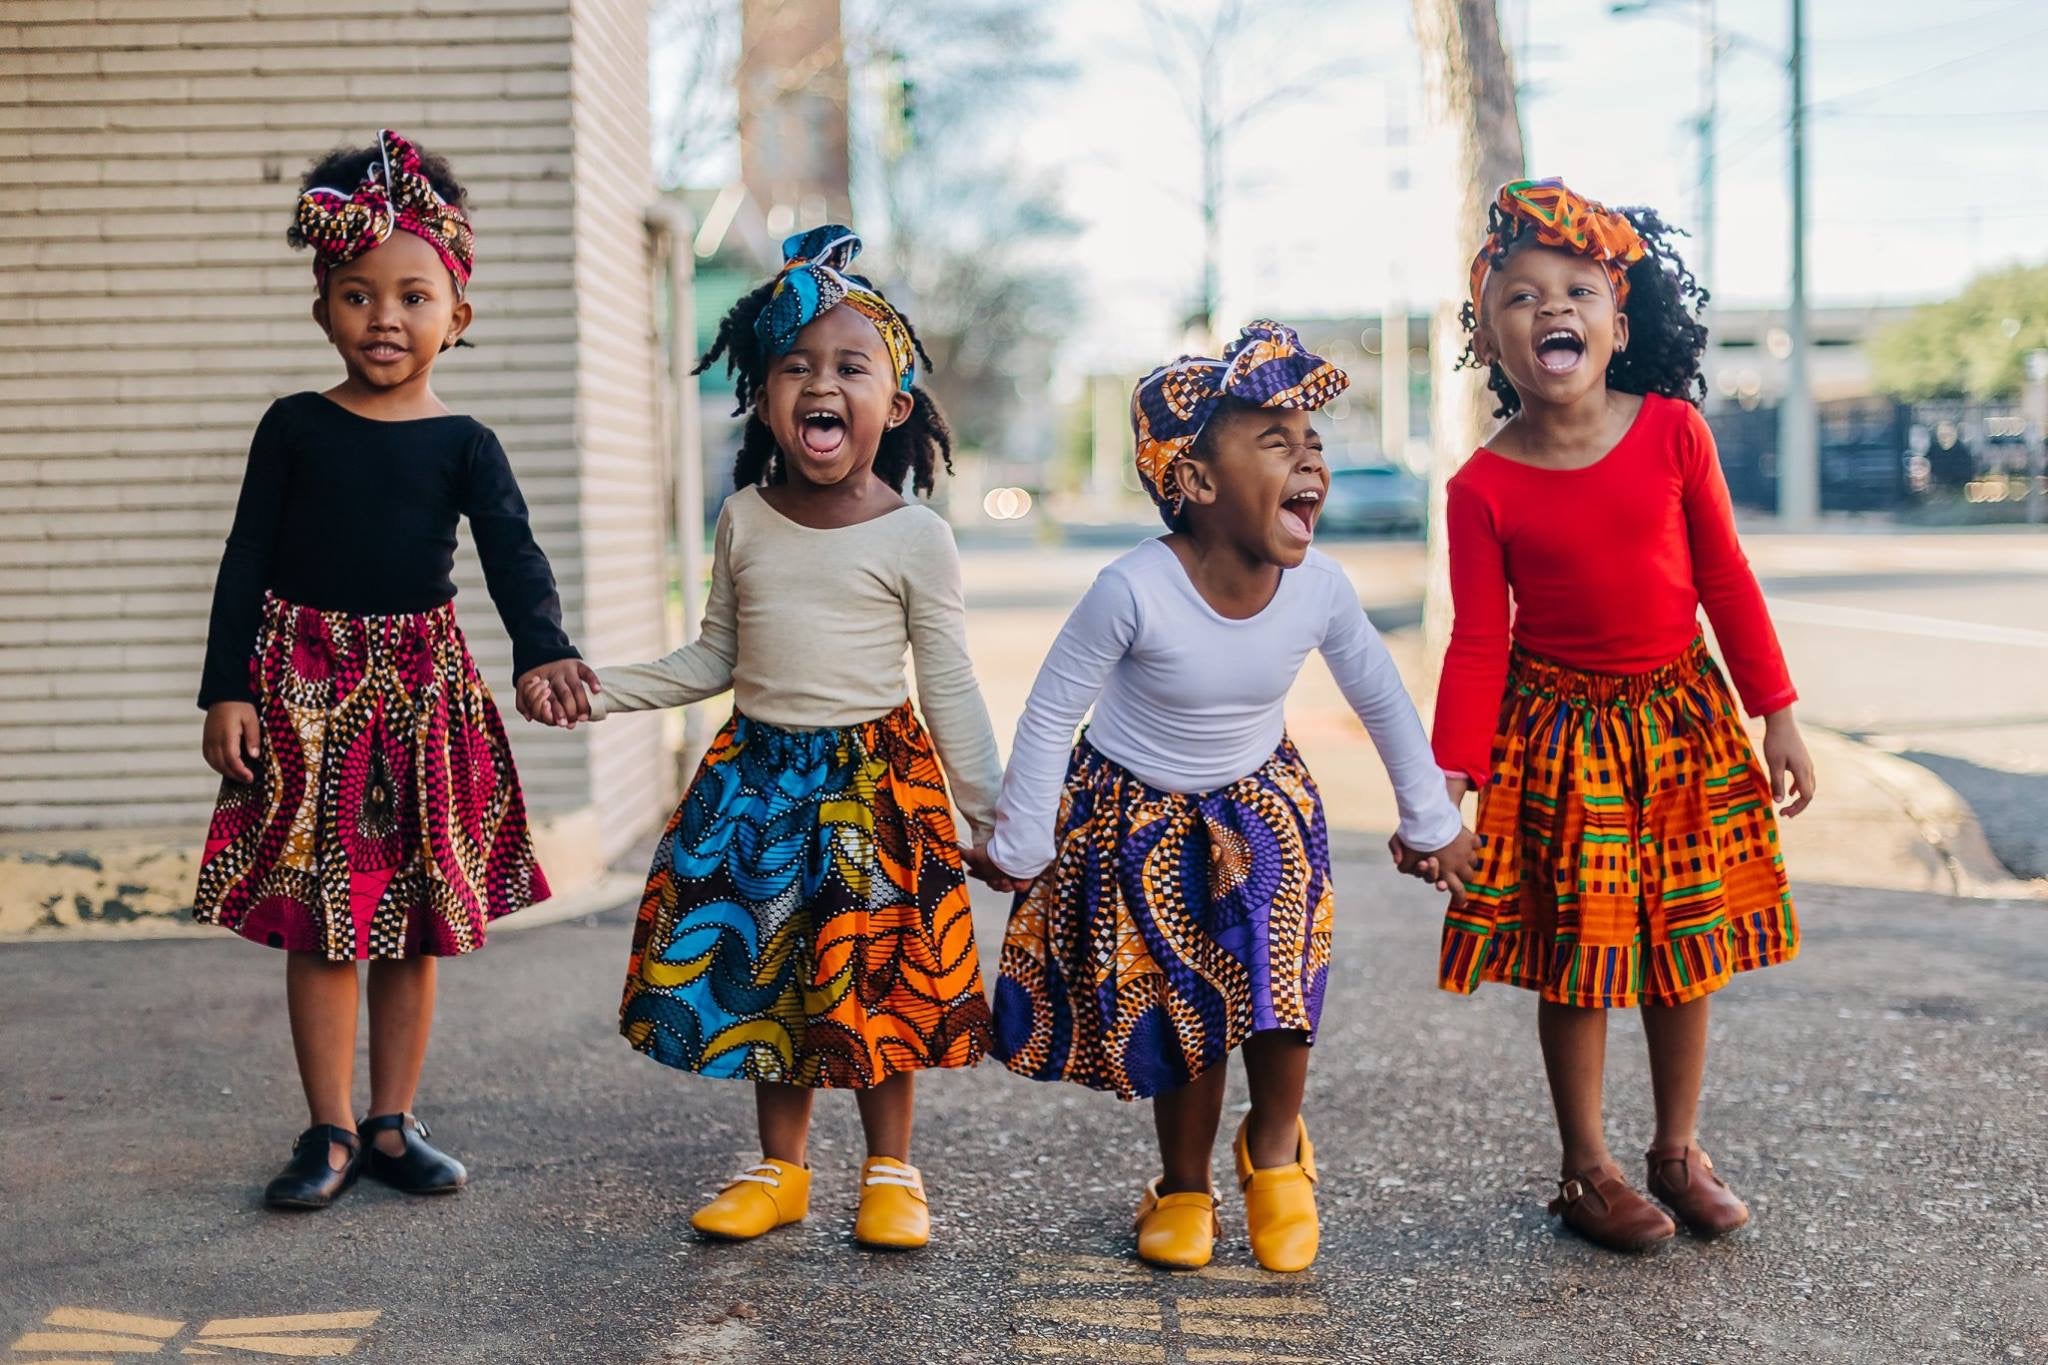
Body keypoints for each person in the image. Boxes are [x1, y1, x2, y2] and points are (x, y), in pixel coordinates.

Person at [969, 322, 1478, 1272]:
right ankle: (1187, 1183)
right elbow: (1050, 712)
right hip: (1139, 812)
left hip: (1260, 800)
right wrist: (1024, 837)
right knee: (1185, 1006)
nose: (1309, 457)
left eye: (1312, 441)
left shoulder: (1320, 588)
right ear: (1198, 482)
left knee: (1282, 983)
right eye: (1275, 441)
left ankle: (1277, 1151)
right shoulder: (1130, 589)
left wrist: (1431, 819)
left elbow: (1379, 696)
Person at [540, 227, 1003, 1252]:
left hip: (872, 790)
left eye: (849, 367)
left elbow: (948, 681)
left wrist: (994, 813)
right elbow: (712, 658)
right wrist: (599, 691)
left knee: (879, 981)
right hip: (757, 783)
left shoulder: (916, 536)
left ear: (897, 403)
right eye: (794, 367)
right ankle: (780, 1172)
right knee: (772, 977)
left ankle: (891, 1171)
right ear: (760, 396)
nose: (819, 384)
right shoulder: (743, 518)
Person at [1415, 178, 1817, 1253]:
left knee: (1686, 952)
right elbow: (1476, 641)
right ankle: (1585, 1168)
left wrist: (1773, 712)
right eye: (1519, 297)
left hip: (1681, 722)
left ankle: (1674, 1151)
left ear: (1615, 322)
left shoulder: (1675, 434)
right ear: (1488, 338)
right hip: (1560, 739)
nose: (1551, 308)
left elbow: (1724, 580)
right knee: (1580, 961)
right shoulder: (1480, 488)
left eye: (1576, 291)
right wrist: (1443, 779)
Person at [194, 130, 592, 1211]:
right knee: (325, 917)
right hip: (305, 694)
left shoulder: (465, 442)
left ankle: (389, 1122)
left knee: (408, 915)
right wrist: (226, 687)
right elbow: (246, 558)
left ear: (454, 317)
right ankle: (324, 1129)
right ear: (323, 306)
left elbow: (512, 554)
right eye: (359, 295)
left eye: (413, 296)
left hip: (420, 692)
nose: (385, 317)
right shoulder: (293, 429)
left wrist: (544, 649)